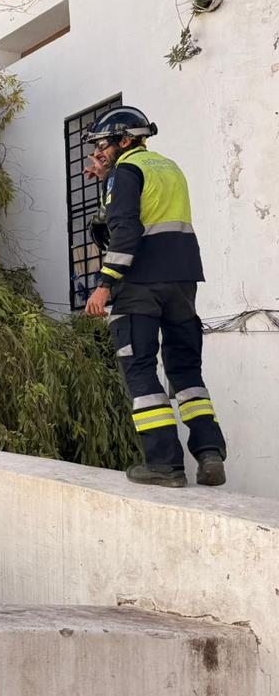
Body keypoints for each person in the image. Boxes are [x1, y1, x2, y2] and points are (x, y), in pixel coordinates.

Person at [82, 106, 226, 488]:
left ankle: (164, 464)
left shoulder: (126, 172)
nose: (98, 153)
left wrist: (104, 284)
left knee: (140, 369)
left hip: (141, 284)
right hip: (183, 281)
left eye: (102, 145)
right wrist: (106, 178)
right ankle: (210, 453)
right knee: (186, 371)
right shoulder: (168, 167)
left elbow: (125, 230)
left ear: (124, 140)